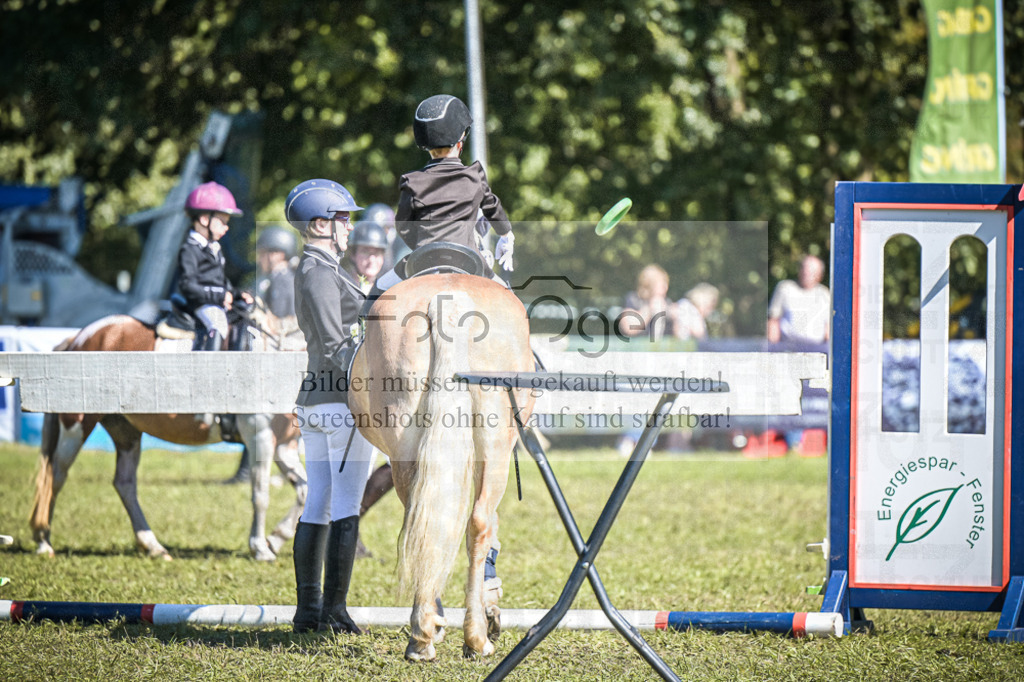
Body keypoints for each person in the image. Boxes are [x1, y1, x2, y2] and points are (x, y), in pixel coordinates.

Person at [286, 178, 376, 635]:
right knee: (343, 502)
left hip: (319, 401)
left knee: (319, 501)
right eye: (344, 219)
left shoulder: (326, 268)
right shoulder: (318, 271)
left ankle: (310, 612)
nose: (349, 228)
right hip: (338, 400)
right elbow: (334, 341)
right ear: (322, 223)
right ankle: (332, 610)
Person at [374, 94, 514, 293]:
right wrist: (506, 235)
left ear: (425, 145)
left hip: (423, 260)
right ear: (460, 142)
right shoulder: (474, 175)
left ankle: (361, 323)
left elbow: (403, 226)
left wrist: (423, 244)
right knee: (511, 302)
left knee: (377, 290)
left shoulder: (411, 181)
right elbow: (492, 208)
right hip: (469, 260)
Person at [223, 225, 299, 485]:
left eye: (266, 253)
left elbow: (278, 319)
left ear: (280, 254)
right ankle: (248, 471)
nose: (261, 258)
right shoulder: (268, 279)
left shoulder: (284, 281)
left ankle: (250, 471)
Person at [176, 181, 253, 351]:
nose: (226, 228)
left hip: (215, 300)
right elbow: (187, 286)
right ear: (204, 219)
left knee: (245, 319)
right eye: (222, 222)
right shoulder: (190, 249)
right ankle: (211, 369)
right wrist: (219, 296)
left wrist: (238, 294)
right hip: (200, 303)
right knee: (218, 324)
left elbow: (220, 283)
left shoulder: (214, 248)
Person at [766, 255, 830, 345]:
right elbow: (773, 320)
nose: (806, 273)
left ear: (819, 275)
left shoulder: (824, 294)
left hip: (817, 350)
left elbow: (828, 327)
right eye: (804, 268)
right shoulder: (785, 288)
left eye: (811, 271)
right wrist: (773, 348)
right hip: (788, 348)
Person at [616, 264, 680, 341]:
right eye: (662, 285)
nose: (666, 288)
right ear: (649, 284)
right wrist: (649, 309)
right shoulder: (634, 300)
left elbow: (680, 335)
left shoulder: (667, 302)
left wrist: (676, 317)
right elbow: (628, 328)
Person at [343, 221, 388, 294]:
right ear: (353, 254)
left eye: (377, 253)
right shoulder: (342, 287)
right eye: (365, 252)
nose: (371, 260)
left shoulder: (390, 288)